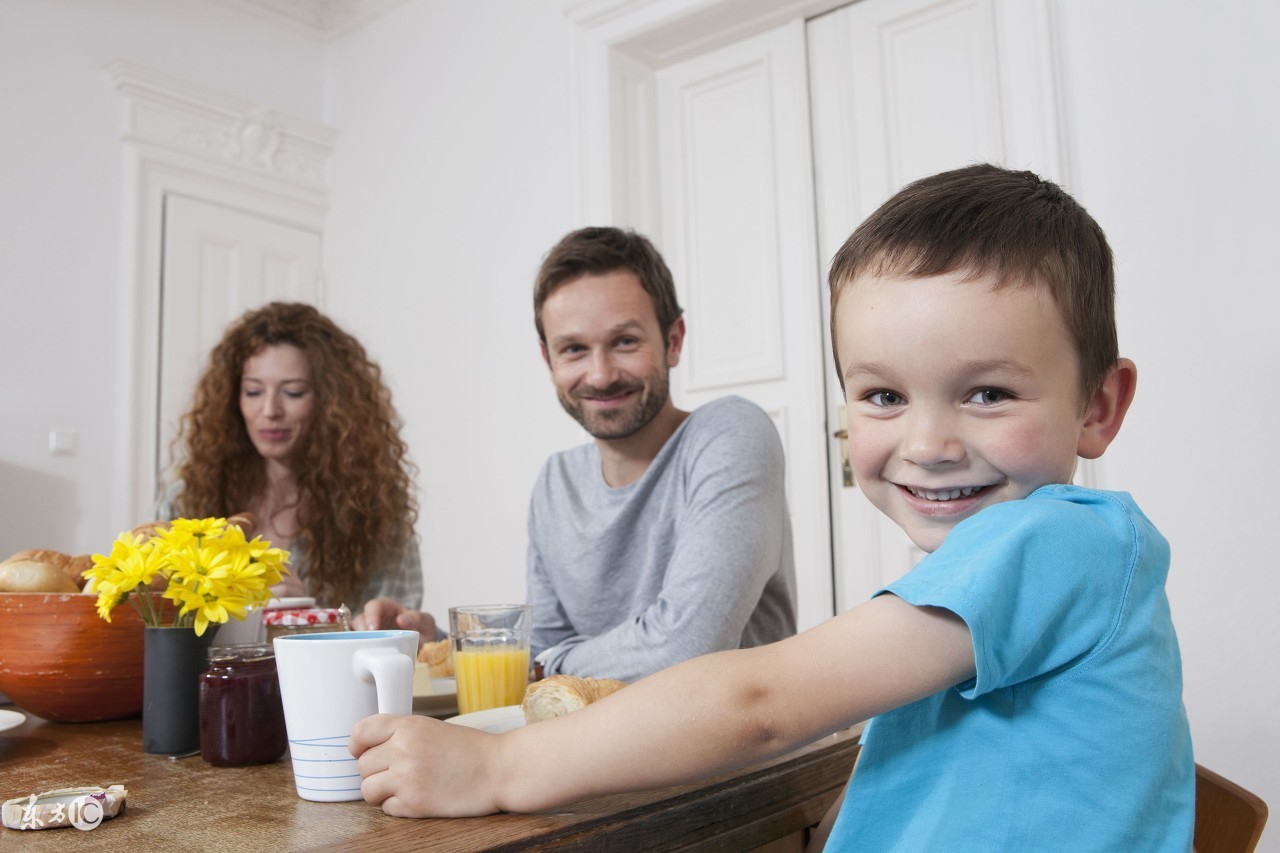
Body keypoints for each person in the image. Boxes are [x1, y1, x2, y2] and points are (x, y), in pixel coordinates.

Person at [349, 165, 1193, 849]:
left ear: (1097, 406)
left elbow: (760, 704)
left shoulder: (1055, 540)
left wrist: (498, 770)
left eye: (986, 392)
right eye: (884, 394)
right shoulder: (992, 570)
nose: (929, 441)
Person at [369, 227, 798, 677]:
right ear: (548, 359)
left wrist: (547, 663)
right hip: (602, 744)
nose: (600, 374)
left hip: (741, 747)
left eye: (625, 342)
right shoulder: (557, 483)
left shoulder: (731, 433)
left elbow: (687, 645)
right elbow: (541, 651)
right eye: (574, 349)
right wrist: (434, 642)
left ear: (673, 340)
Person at [155, 302, 434, 634]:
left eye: (293, 392)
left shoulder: (376, 511)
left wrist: (309, 619)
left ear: (330, 401)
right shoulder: (185, 502)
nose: (270, 410)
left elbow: (393, 638)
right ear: (234, 399)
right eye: (253, 391)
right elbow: (156, 624)